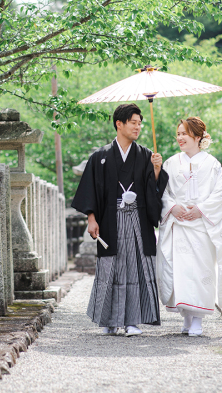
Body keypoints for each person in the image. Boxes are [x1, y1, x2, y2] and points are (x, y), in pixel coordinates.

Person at [72, 103, 169, 336]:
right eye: (133, 122)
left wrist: (156, 170)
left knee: (136, 268)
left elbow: (153, 188)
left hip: (137, 219)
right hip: (110, 221)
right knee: (110, 270)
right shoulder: (100, 157)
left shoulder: (146, 155)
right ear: (119, 124)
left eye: (140, 123)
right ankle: (108, 320)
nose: (138, 127)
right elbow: (91, 190)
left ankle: (133, 321)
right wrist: (91, 219)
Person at [156, 117, 222, 337]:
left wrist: (201, 210)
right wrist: (173, 207)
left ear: (198, 137)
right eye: (178, 134)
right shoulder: (169, 163)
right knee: (180, 272)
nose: (179, 138)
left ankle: (198, 319)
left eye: (184, 134)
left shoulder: (212, 164)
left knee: (200, 272)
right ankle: (187, 317)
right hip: (178, 225)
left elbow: (220, 193)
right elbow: (163, 191)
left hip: (201, 227)